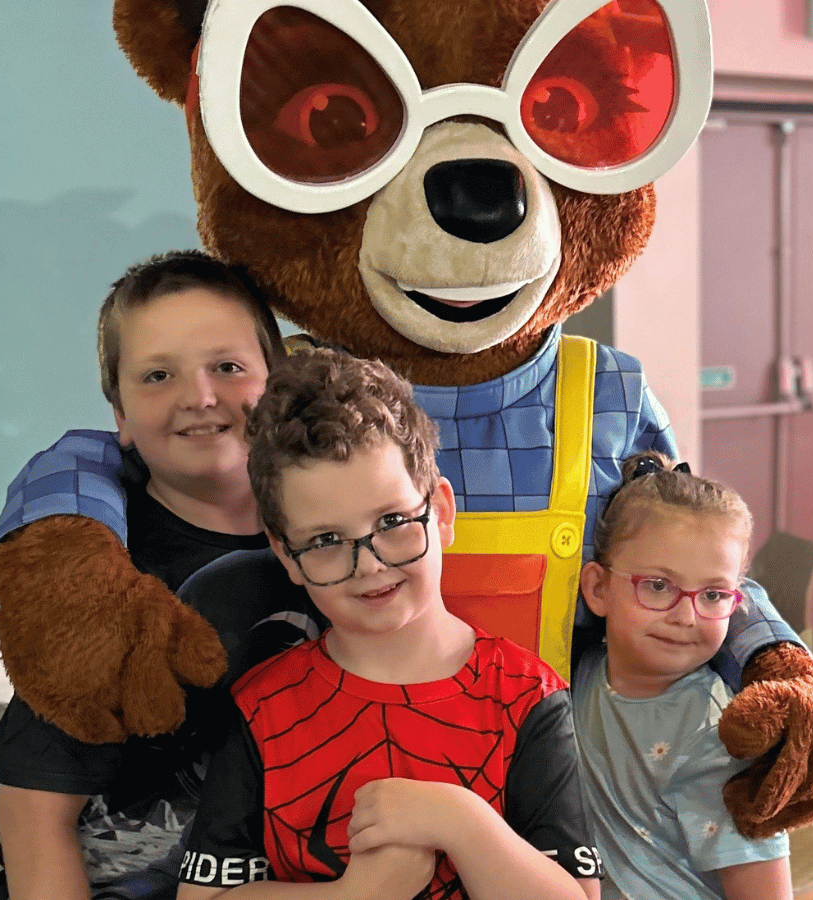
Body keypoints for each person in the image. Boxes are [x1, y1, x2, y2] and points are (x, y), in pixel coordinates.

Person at [176, 348, 600, 900]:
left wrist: (461, 821)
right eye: (326, 541)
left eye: (394, 522)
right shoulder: (259, 708)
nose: (371, 564)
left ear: (442, 513)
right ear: (286, 556)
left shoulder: (528, 697)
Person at [0, 249, 320, 900]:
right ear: (120, 417)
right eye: (158, 376)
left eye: (226, 366)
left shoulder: (330, 534)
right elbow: (33, 815)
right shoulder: (104, 578)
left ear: (277, 380)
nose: (199, 397)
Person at [573, 452, 792, 900]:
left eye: (713, 594)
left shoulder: (720, 735)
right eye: (657, 586)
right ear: (598, 588)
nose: (687, 616)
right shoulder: (577, 673)